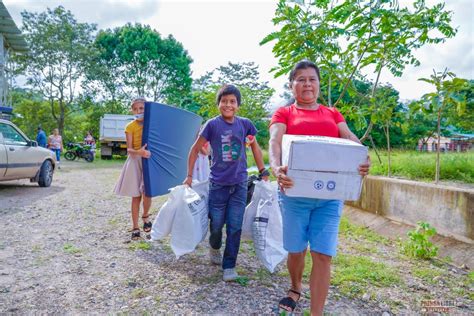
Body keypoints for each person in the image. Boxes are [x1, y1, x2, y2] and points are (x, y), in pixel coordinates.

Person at [268, 60, 370, 315]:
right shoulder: (284, 113)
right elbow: (274, 141)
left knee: (323, 255)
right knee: (296, 249)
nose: (307, 84)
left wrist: (362, 156)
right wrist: (275, 166)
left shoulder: (332, 114)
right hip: (294, 194)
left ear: (319, 84)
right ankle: (295, 286)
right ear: (291, 85)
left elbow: (349, 138)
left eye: (312, 79)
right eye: (300, 79)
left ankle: (316, 313)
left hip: (329, 197)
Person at [183, 84, 270, 282]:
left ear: (238, 105)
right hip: (218, 186)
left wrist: (263, 170)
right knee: (216, 225)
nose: (228, 105)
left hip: (239, 185)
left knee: (235, 226)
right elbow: (195, 149)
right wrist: (189, 175)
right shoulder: (212, 125)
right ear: (218, 104)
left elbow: (255, 148)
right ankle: (214, 247)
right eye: (224, 101)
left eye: (232, 101)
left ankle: (229, 265)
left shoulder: (245, 124)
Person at [114, 98, 153, 240]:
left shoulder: (152, 124)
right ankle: (135, 226)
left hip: (149, 160)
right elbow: (129, 149)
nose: (138, 111)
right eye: (135, 109)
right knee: (136, 196)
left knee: (148, 193)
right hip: (136, 160)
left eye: (141, 108)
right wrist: (139, 152)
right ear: (132, 110)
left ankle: (145, 216)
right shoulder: (130, 127)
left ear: (146, 109)